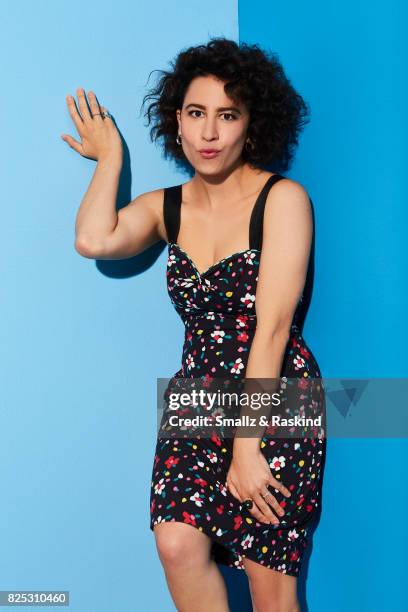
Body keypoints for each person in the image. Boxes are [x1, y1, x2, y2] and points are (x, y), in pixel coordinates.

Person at [63, 37, 326, 612]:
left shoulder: (283, 199)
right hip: (197, 396)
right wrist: (110, 159)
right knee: (176, 544)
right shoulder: (169, 207)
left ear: (251, 125)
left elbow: (274, 330)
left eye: (227, 115)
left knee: (267, 579)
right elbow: (94, 240)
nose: (209, 133)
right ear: (177, 121)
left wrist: (247, 445)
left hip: (275, 395)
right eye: (196, 113)